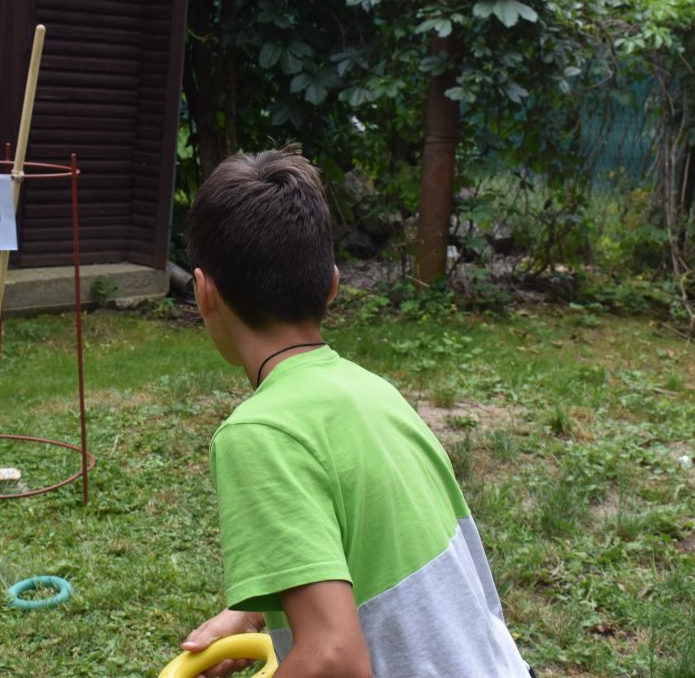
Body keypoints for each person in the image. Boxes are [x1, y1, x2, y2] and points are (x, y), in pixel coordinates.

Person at [179, 148, 533, 678]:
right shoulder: (371, 392)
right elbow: (368, 550)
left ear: (204, 292)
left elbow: (335, 658)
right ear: (332, 285)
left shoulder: (259, 434)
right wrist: (253, 611)